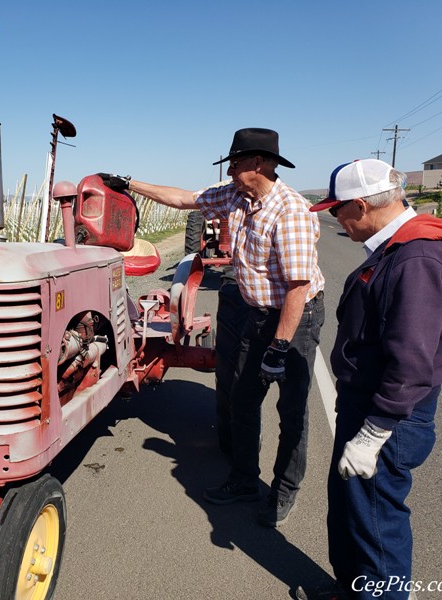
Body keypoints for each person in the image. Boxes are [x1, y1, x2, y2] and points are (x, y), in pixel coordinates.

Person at [100, 127, 325, 527]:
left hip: (295, 316)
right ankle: (243, 479)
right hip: (256, 309)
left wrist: (279, 347)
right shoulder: (235, 195)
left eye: (234, 163)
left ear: (258, 163)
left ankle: (284, 490)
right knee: (242, 398)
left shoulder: (289, 211)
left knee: (291, 408)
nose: (230, 170)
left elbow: (297, 287)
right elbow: (184, 198)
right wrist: (128, 182)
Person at [307, 159, 442, 599]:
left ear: (360, 206)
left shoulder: (417, 258)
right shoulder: (398, 248)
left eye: (335, 210)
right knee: (350, 513)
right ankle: (351, 588)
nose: (334, 219)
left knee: (377, 526)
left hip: (387, 417)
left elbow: (411, 361)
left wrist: (374, 431)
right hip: (368, 405)